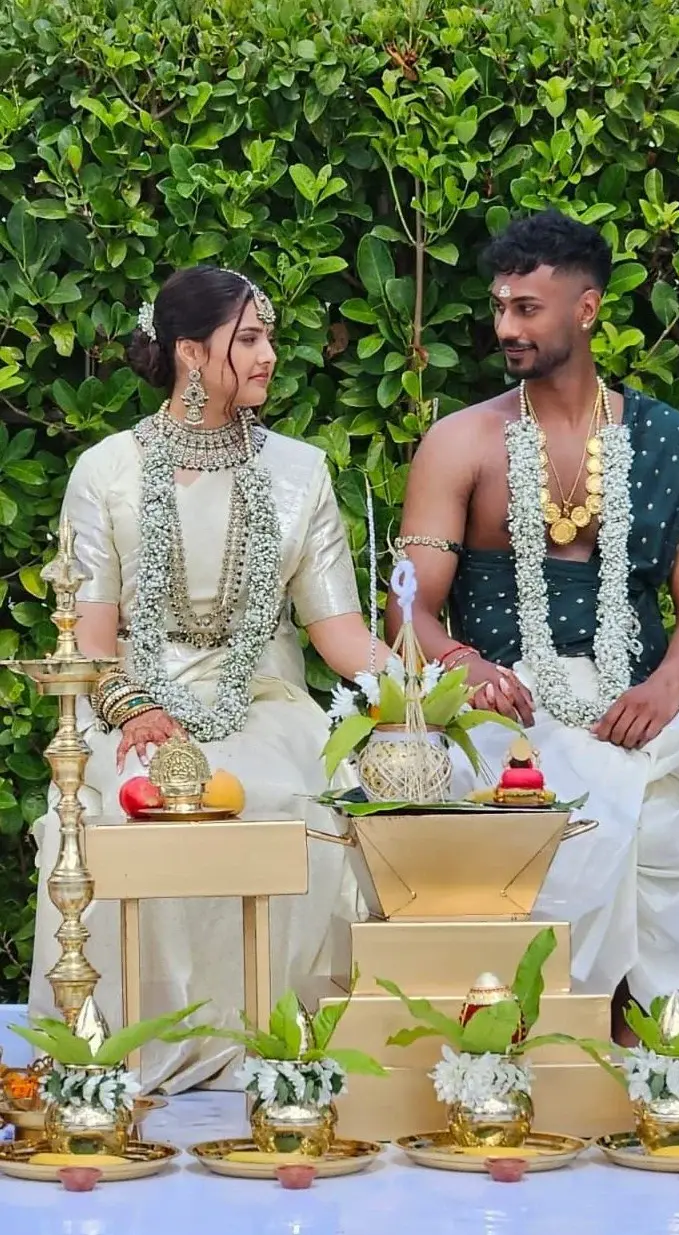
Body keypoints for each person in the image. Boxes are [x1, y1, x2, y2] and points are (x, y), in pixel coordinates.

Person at [388, 210, 679, 1042]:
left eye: (527, 309)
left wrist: (667, 685)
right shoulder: (461, 441)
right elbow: (408, 603)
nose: (507, 327)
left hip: (632, 699)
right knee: (587, 795)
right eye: (500, 307)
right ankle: (573, 1020)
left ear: (586, 309)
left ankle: (659, 1000)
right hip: (511, 704)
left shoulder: (668, 442)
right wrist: (462, 661)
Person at [31, 266, 391, 1091]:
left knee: (296, 795)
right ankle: (128, 1040)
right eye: (250, 338)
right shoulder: (107, 470)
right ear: (191, 353)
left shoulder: (299, 471)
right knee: (109, 805)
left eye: (270, 338)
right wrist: (134, 710)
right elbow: (91, 642)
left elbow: (340, 635)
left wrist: (426, 683)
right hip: (137, 706)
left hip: (266, 700)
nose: (270, 356)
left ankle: (277, 1039)